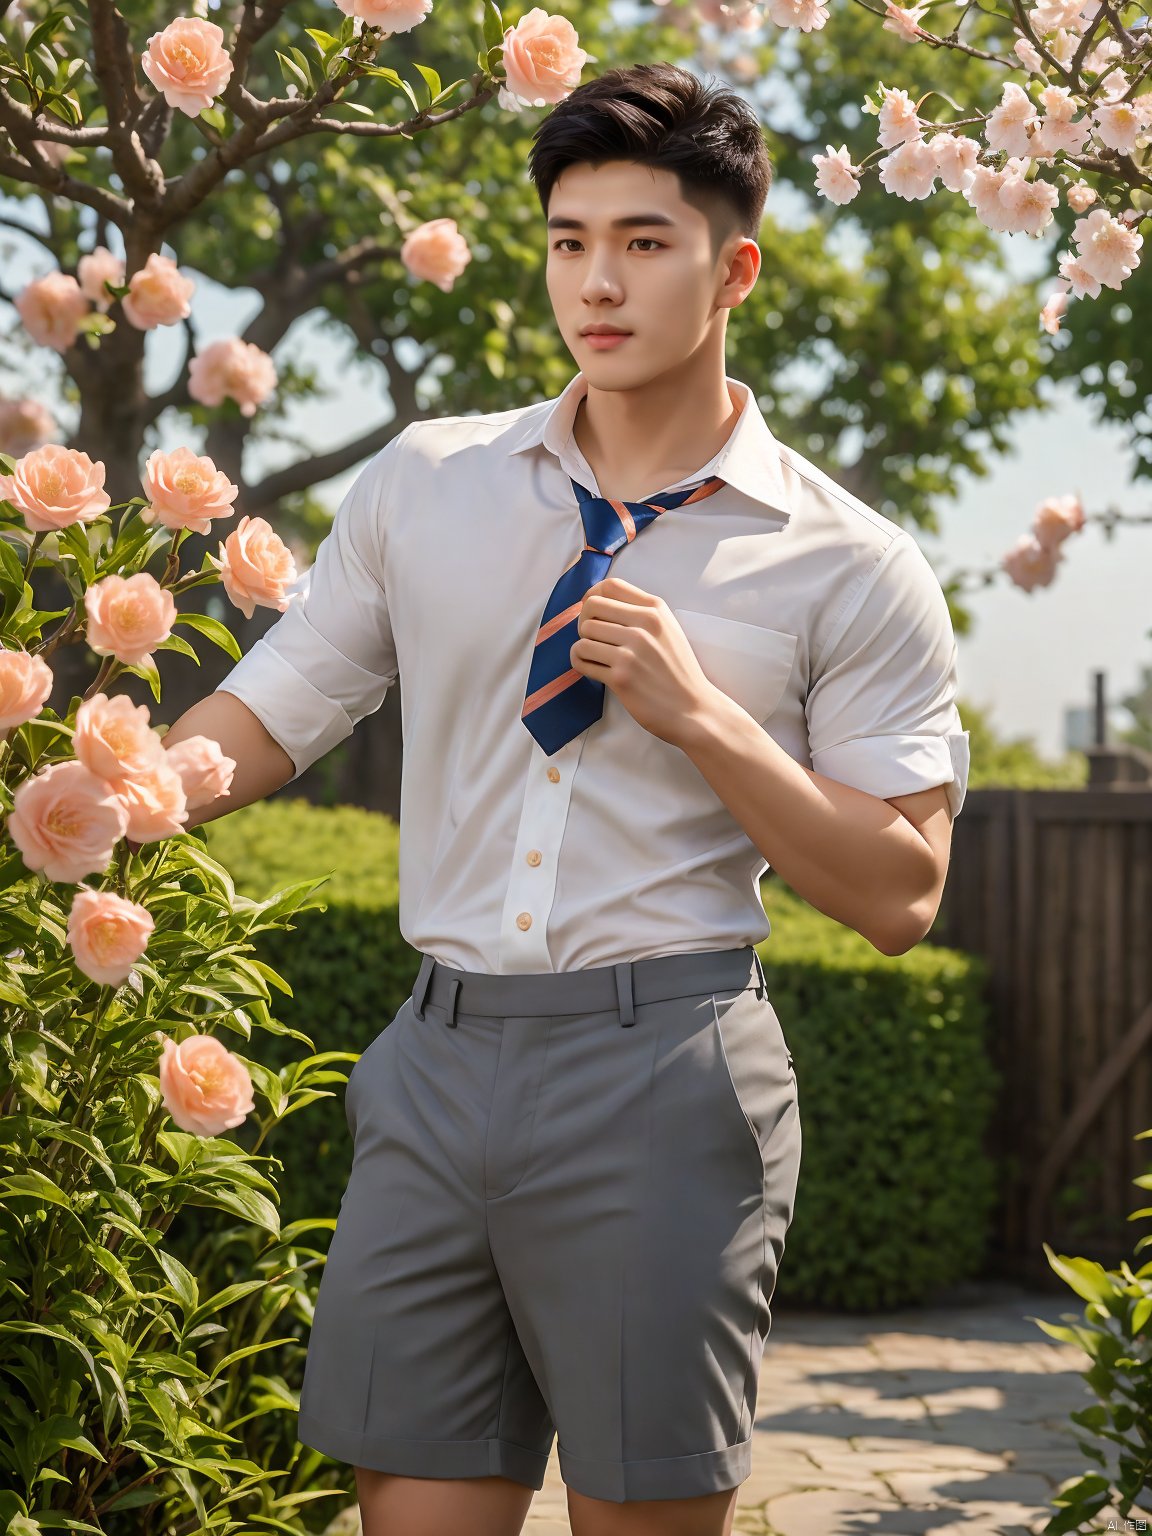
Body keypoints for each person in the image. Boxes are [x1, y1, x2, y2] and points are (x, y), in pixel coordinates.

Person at [163, 60, 969, 1536]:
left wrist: (708, 719)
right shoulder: (429, 484)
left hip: (664, 1071)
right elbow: (278, 710)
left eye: (644, 243)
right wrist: (90, 796)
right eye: (566, 240)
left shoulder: (850, 564)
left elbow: (900, 895)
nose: (596, 283)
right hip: (434, 1058)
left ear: (736, 270)